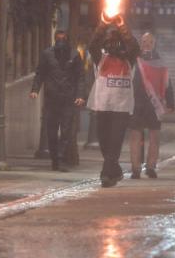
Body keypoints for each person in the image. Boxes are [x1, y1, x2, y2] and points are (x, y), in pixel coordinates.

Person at [87, 16, 140, 187]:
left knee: (115, 142)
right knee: (104, 143)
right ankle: (115, 171)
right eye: (110, 42)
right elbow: (92, 45)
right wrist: (102, 22)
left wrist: (122, 25)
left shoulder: (128, 60)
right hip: (102, 106)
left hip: (121, 108)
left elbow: (134, 47)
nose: (113, 46)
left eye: (117, 42)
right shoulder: (100, 58)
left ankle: (106, 175)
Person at [30, 30, 85, 171]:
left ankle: (60, 157)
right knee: (52, 131)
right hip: (51, 99)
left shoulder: (74, 55)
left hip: (68, 99)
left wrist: (80, 95)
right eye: (58, 39)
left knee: (66, 130)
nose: (60, 41)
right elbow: (40, 73)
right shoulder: (47, 54)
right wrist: (35, 90)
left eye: (63, 39)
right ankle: (55, 160)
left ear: (68, 40)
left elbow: (80, 77)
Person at [128, 32, 175, 179]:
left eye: (149, 42)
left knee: (155, 136)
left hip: (154, 105)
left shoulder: (160, 61)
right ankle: (135, 168)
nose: (146, 44)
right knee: (135, 136)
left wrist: (171, 102)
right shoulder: (135, 60)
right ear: (140, 44)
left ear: (154, 44)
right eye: (144, 41)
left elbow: (167, 82)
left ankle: (151, 167)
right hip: (137, 104)